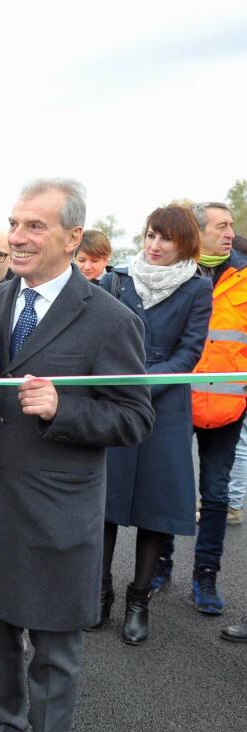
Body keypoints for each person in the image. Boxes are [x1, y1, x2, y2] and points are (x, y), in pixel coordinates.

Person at [0, 179, 153, 732]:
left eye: (35, 226)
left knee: (56, 643)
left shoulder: (110, 318)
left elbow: (135, 417)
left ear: (72, 237)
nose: (16, 236)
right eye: (15, 223)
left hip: (58, 507)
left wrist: (64, 409)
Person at [93, 205, 211, 643]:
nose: (154, 246)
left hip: (165, 404)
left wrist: (144, 385)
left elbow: (191, 350)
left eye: (165, 239)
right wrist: (121, 383)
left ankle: (138, 599)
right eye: (150, 236)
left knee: (155, 507)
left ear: (184, 244)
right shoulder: (119, 279)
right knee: (105, 501)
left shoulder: (198, 287)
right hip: (115, 395)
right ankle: (99, 593)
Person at [154, 201, 247, 615]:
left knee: (216, 493)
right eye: (221, 226)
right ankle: (159, 566)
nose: (230, 233)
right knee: (169, 487)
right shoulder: (177, 276)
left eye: (231, 226)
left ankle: (205, 576)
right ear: (199, 231)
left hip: (229, 404)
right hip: (179, 400)